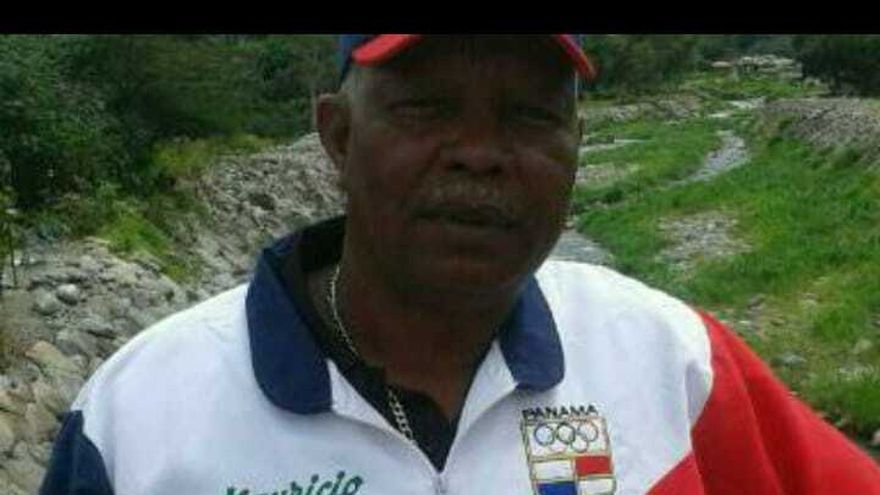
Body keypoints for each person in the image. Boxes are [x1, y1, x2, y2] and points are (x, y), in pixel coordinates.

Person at [40, 34, 878, 495]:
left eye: (528, 116)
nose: (480, 152)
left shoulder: (674, 362)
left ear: (577, 146)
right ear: (337, 135)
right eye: (427, 109)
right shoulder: (142, 418)